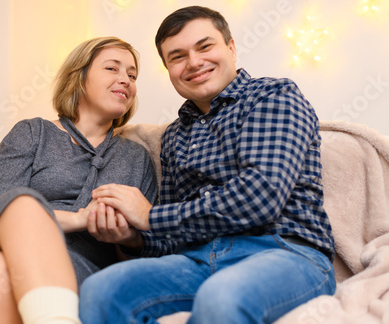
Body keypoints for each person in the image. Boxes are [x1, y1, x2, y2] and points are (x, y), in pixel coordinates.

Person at [79, 6, 336, 324]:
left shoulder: (273, 96)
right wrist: (132, 237)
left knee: (222, 297)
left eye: (205, 46)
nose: (194, 62)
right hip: (197, 260)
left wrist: (148, 215)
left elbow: (261, 196)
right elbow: (170, 236)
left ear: (230, 47)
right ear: (168, 69)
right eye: (177, 57)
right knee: (101, 290)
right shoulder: (174, 135)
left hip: (286, 253)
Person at [0, 36, 158, 324]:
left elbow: (152, 251)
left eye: (132, 74)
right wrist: (81, 219)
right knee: (23, 205)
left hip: (78, 269)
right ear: (78, 78)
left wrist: (127, 238)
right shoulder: (33, 133)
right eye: (112, 69)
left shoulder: (137, 157)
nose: (125, 79)